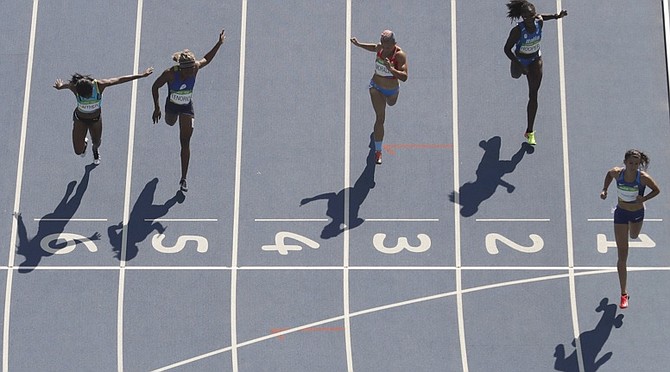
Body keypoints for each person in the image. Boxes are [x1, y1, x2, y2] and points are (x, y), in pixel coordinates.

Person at [151, 29, 226, 192]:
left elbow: (207, 58)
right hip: (171, 106)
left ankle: (183, 178)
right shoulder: (170, 74)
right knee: (170, 123)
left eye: (194, 67)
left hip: (186, 107)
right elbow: (155, 86)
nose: (193, 70)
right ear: (182, 68)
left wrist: (218, 44)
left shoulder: (195, 67)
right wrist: (156, 107)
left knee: (185, 142)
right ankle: (171, 117)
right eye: (190, 69)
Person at [54, 68, 154, 164]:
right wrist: (60, 86)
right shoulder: (75, 87)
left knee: (97, 142)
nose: (87, 97)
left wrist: (142, 75)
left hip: (95, 119)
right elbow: (65, 86)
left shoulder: (99, 85)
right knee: (78, 151)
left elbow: (119, 79)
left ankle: (95, 150)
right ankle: (84, 143)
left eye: (88, 94)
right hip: (80, 120)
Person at [600, 149, 660, 309]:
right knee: (622, 255)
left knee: (634, 236)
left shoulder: (643, 178)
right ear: (625, 162)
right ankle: (624, 294)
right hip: (620, 214)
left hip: (637, 213)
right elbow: (608, 175)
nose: (633, 166)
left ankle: (630, 229)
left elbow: (657, 190)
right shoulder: (616, 173)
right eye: (631, 163)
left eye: (636, 163)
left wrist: (644, 198)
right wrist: (605, 189)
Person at [504, 0, 567, 146]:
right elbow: (506, 49)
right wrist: (519, 64)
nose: (531, 20)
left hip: (535, 60)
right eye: (528, 18)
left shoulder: (538, 21)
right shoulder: (517, 31)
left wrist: (557, 16)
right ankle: (518, 68)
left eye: (533, 16)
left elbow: (542, 17)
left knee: (533, 95)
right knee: (515, 75)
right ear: (522, 17)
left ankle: (530, 131)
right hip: (520, 60)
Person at [351, 30, 408, 165]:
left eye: (388, 47)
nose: (386, 49)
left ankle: (377, 136)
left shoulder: (400, 55)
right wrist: (359, 45)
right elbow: (373, 47)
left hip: (392, 91)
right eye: (384, 46)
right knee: (380, 118)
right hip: (376, 87)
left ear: (394, 43)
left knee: (391, 103)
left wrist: (391, 69)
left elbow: (405, 77)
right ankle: (378, 151)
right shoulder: (381, 48)